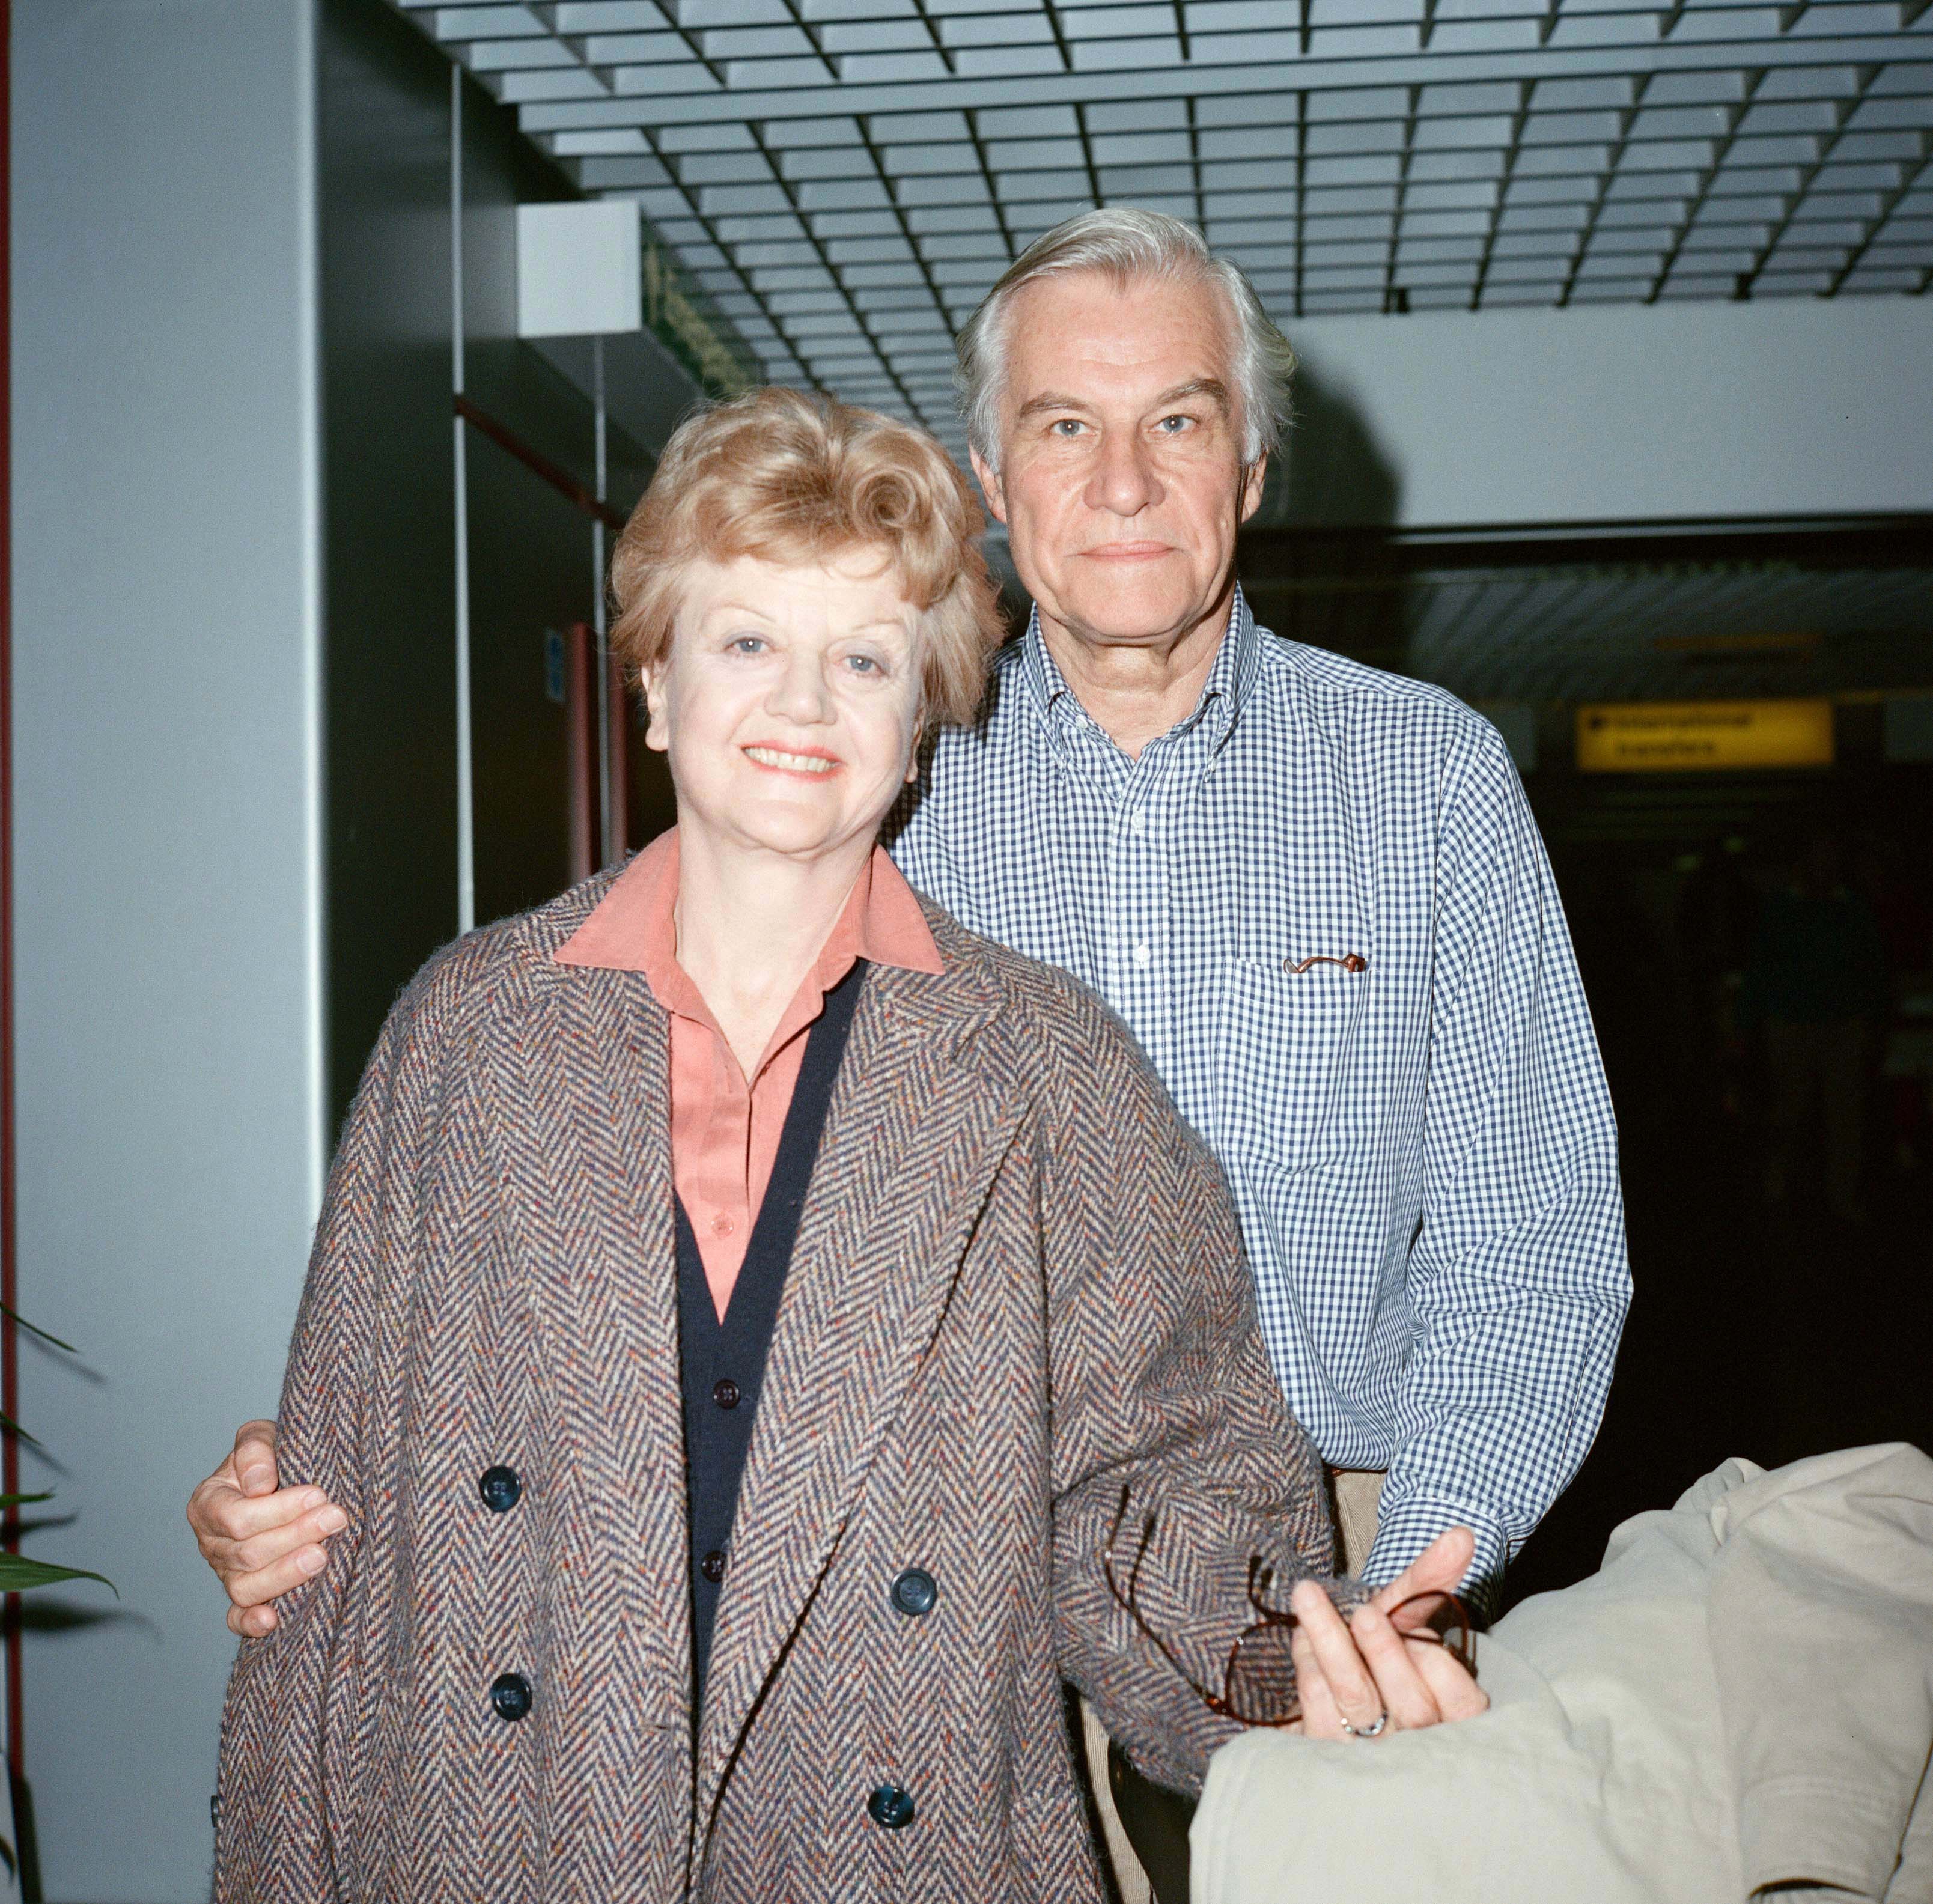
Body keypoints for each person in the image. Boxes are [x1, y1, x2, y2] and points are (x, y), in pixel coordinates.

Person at [209, 388, 1486, 1903]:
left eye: (864, 659)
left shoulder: (1043, 1066)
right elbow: (319, 1537)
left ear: (923, 718)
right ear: (659, 688)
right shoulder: (467, 1032)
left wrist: (1293, 1670)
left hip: (900, 1842)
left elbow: (1165, 1492)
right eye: (747, 641)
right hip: (498, 1829)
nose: (803, 705)